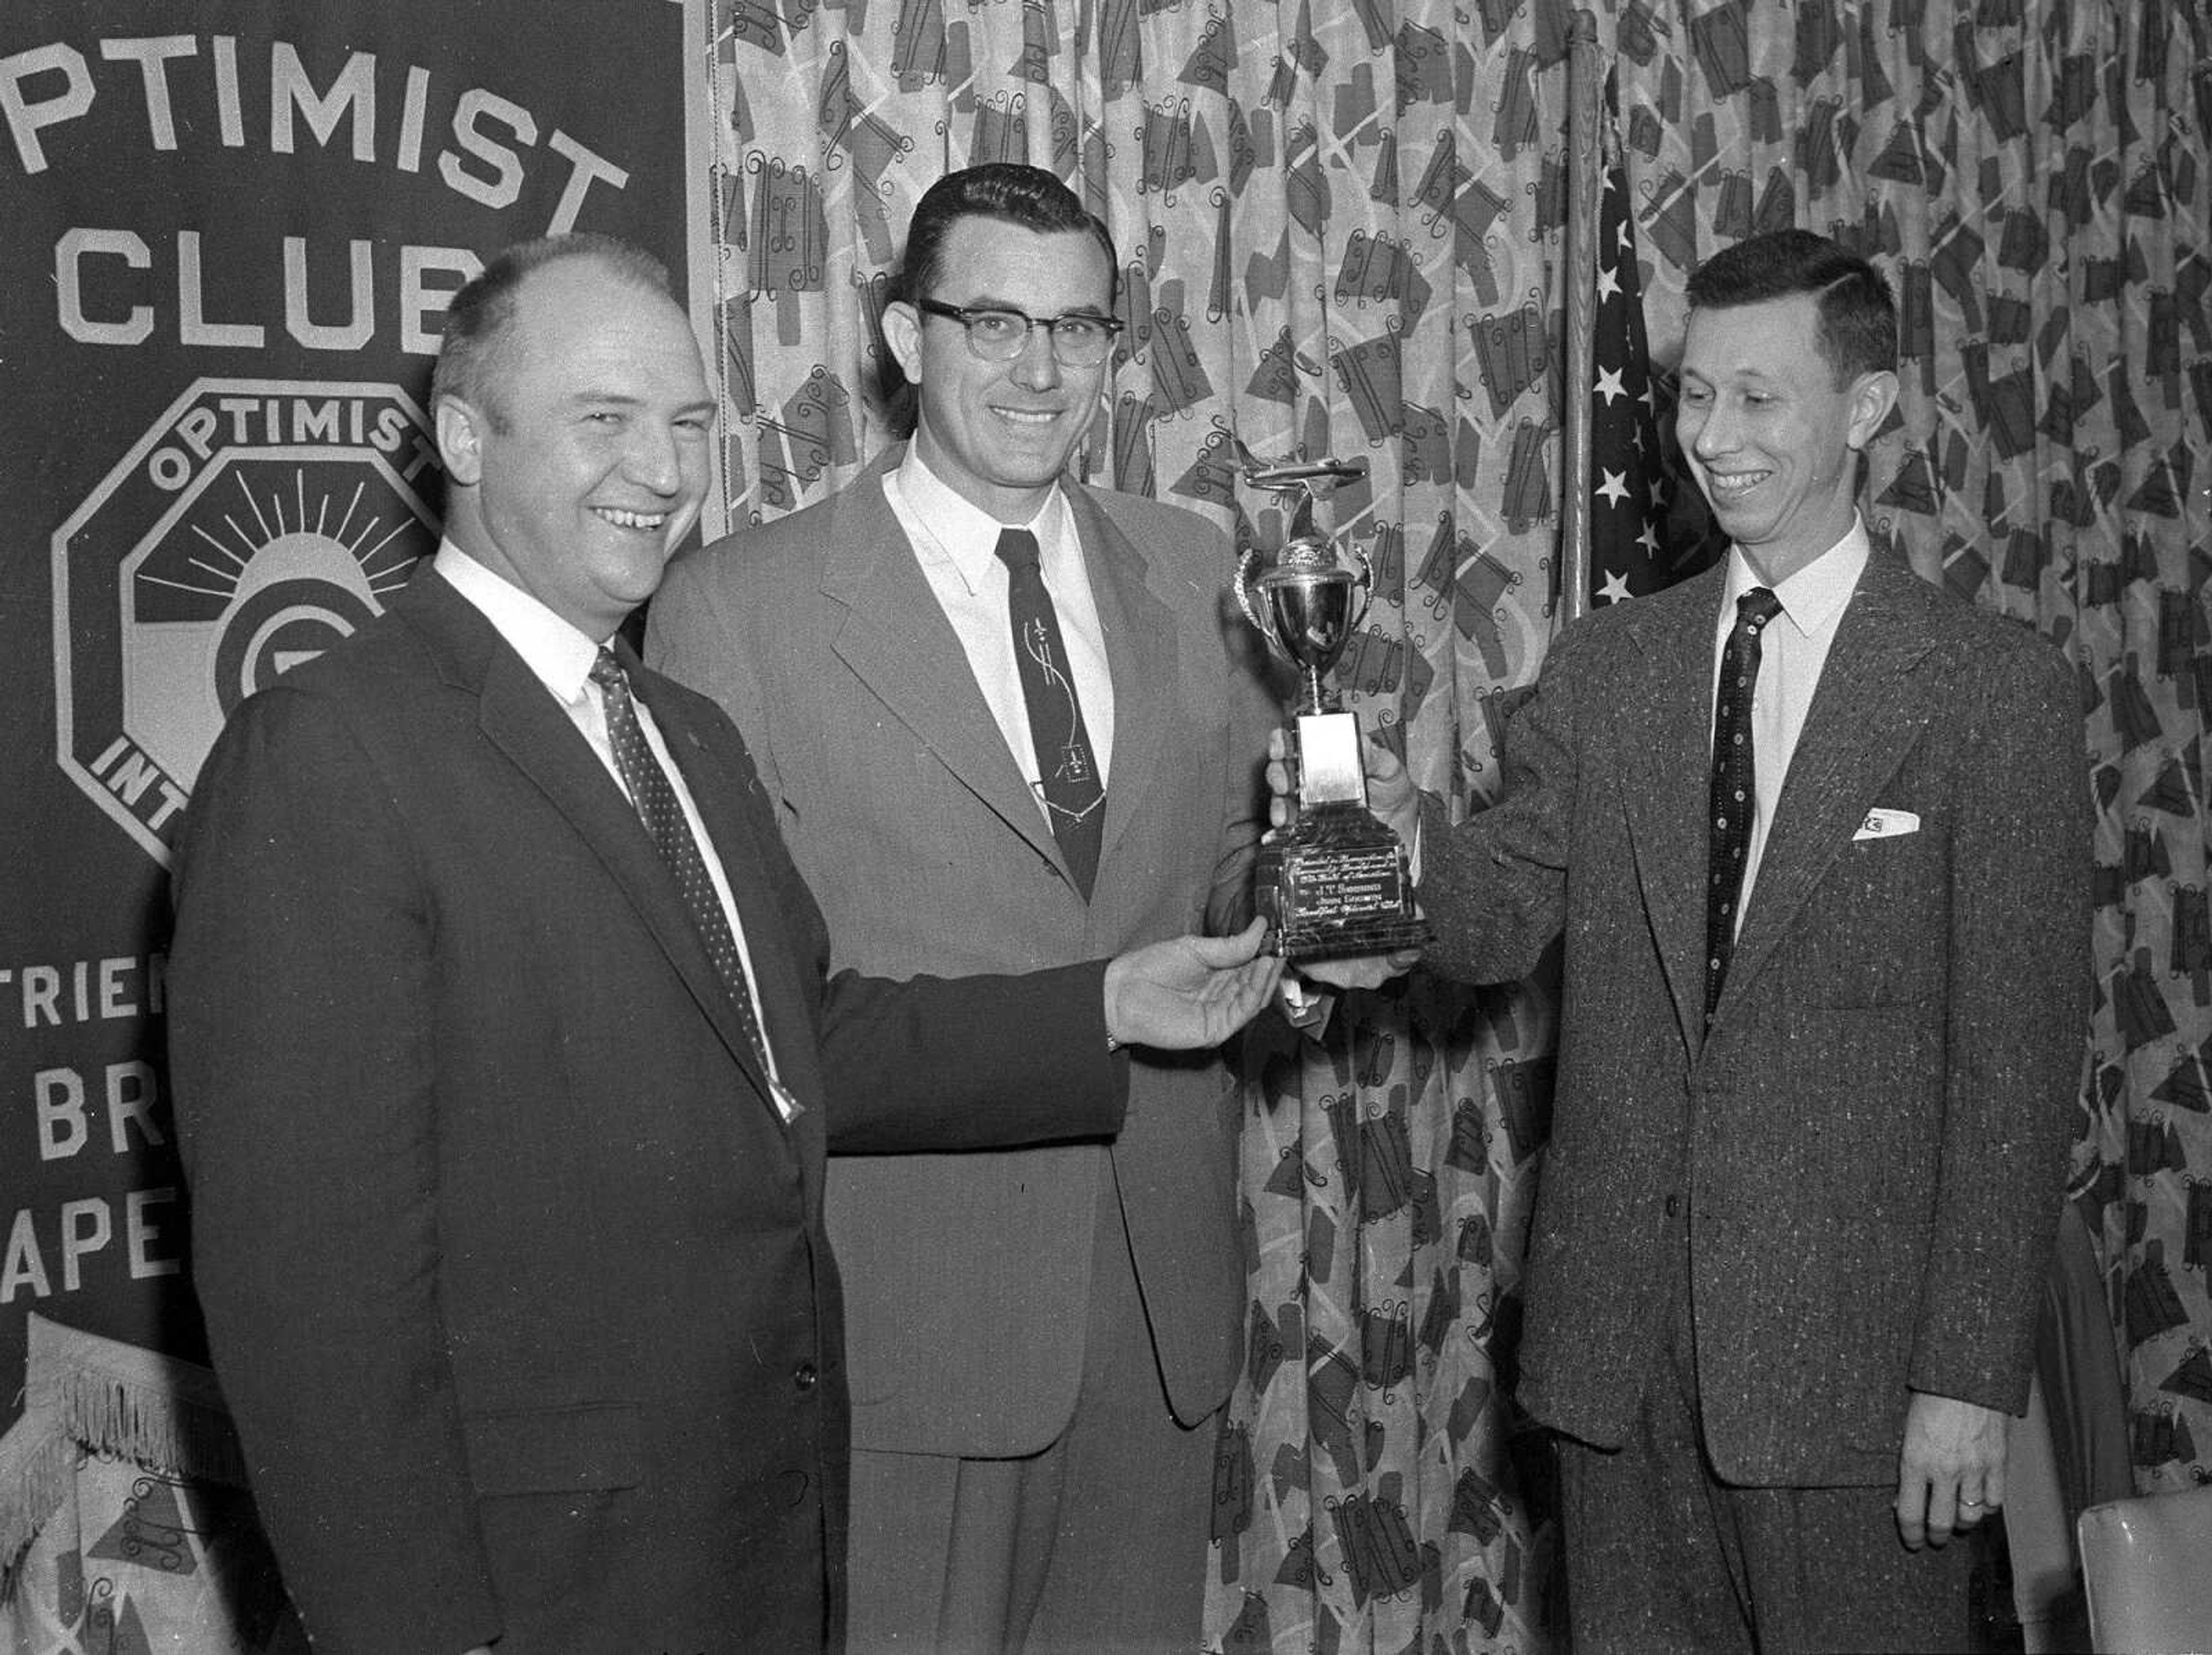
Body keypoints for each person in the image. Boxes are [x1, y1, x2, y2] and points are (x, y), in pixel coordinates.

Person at [165, 232, 1282, 1655]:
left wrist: (1110, 1006)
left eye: (689, 424)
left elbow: (803, 1039)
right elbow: (313, 1309)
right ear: (459, 434)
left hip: (746, 1531)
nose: (662, 469)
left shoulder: (672, 731)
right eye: (602, 422)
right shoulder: (326, 752)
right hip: (538, 1582)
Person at [1286, 229, 2089, 1652]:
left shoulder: (1991, 695)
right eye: (1694, 396)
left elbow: (2016, 1073)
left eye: (1759, 400)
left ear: (1869, 407)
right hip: (1618, 1376)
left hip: (1859, 1389)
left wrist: (1969, 1373)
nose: (1711, 439)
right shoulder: (1612, 670)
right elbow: (1500, 901)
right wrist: (1369, 859)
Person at [649, 162, 1272, 1652]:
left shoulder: (1198, 567)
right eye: (994, 320)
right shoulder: (738, 606)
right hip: (907, 1323)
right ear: (901, 334)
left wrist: (1312, 898)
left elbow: (1238, 851)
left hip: (1153, 1300)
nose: (1041, 369)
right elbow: (751, 1021)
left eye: (1079, 327)